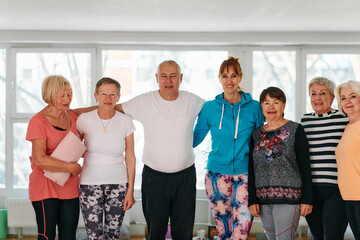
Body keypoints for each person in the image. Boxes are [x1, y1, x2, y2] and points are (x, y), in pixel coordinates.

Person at [110, 60, 204, 240]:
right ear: (157, 78)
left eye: (173, 76)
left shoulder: (193, 101)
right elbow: (110, 108)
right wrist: (73, 113)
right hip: (155, 178)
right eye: (164, 76)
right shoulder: (146, 101)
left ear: (181, 78)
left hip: (185, 178)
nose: (168, 80)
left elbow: (216, 112)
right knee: (156, 231)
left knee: (183, 233)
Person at [193, 56, 263, 240]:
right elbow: (195, 138)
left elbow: (261, 140)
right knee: (224, 231)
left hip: (245, 174)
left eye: (233, 76)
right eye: (224, 76)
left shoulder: (255, 107)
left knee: (241, 229)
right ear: (219, 78)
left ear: (240, 77)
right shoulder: (209, 108)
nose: (229, 80)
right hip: (217, 175)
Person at [248, 86, 313, 240]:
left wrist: (307, 199)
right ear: (261, 107)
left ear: (283, 105)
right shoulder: (256, 134)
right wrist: (252, 199)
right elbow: (251, 168)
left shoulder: (296, 129)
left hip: (289, 199)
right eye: (266, 103)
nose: (271, 107)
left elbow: (305, 167)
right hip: (262, 199)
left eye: (276, 102)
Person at [76, 77, 136, 239]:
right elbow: (74, 149)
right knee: (94, 235)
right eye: (103, 94)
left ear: (118, 97)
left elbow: (130, 157)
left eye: (112, 94)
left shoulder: (125, 121)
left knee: (113, 235)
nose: (108, 98)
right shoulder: (84, 119)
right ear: (96, 95)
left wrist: (130, 190)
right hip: (89, 184)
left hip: (118, 185)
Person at [25, 75, 82, 240]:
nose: (67, 99)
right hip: (44, 188)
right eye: (62, 95)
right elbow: (40, 159)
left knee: (69, 236)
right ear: (50, 95)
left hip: (69, 187)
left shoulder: (72, 117)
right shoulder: (38, 121)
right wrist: (71, 168)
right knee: (46, 235)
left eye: (69, 94)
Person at [301, 77, 348, 240]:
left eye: (322, 93)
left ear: (332, 97)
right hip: (311, 191)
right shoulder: (304, 121)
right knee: (317, 236)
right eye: (313, 94)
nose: (317, 98)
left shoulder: (344, 119)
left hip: (336, 190)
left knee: (332, 236)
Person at [335, 80, 360, 240]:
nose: (347, 101)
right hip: (348, 196)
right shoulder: (348, 127)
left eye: (353, 96)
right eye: (343, 98)